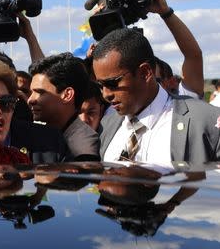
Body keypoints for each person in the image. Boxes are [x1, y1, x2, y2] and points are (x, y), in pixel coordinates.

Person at [93, 28, 220, 166]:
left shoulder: (207, 121)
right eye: (100, 85)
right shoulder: (105, 125)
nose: (106, 94)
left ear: (145, 72)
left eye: (112, 83)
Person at [28, 53, 100, 161]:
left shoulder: (83, 146)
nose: (30, 100)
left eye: (40, 92)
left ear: (67, 95)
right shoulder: (39, 135)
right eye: (31, 92)